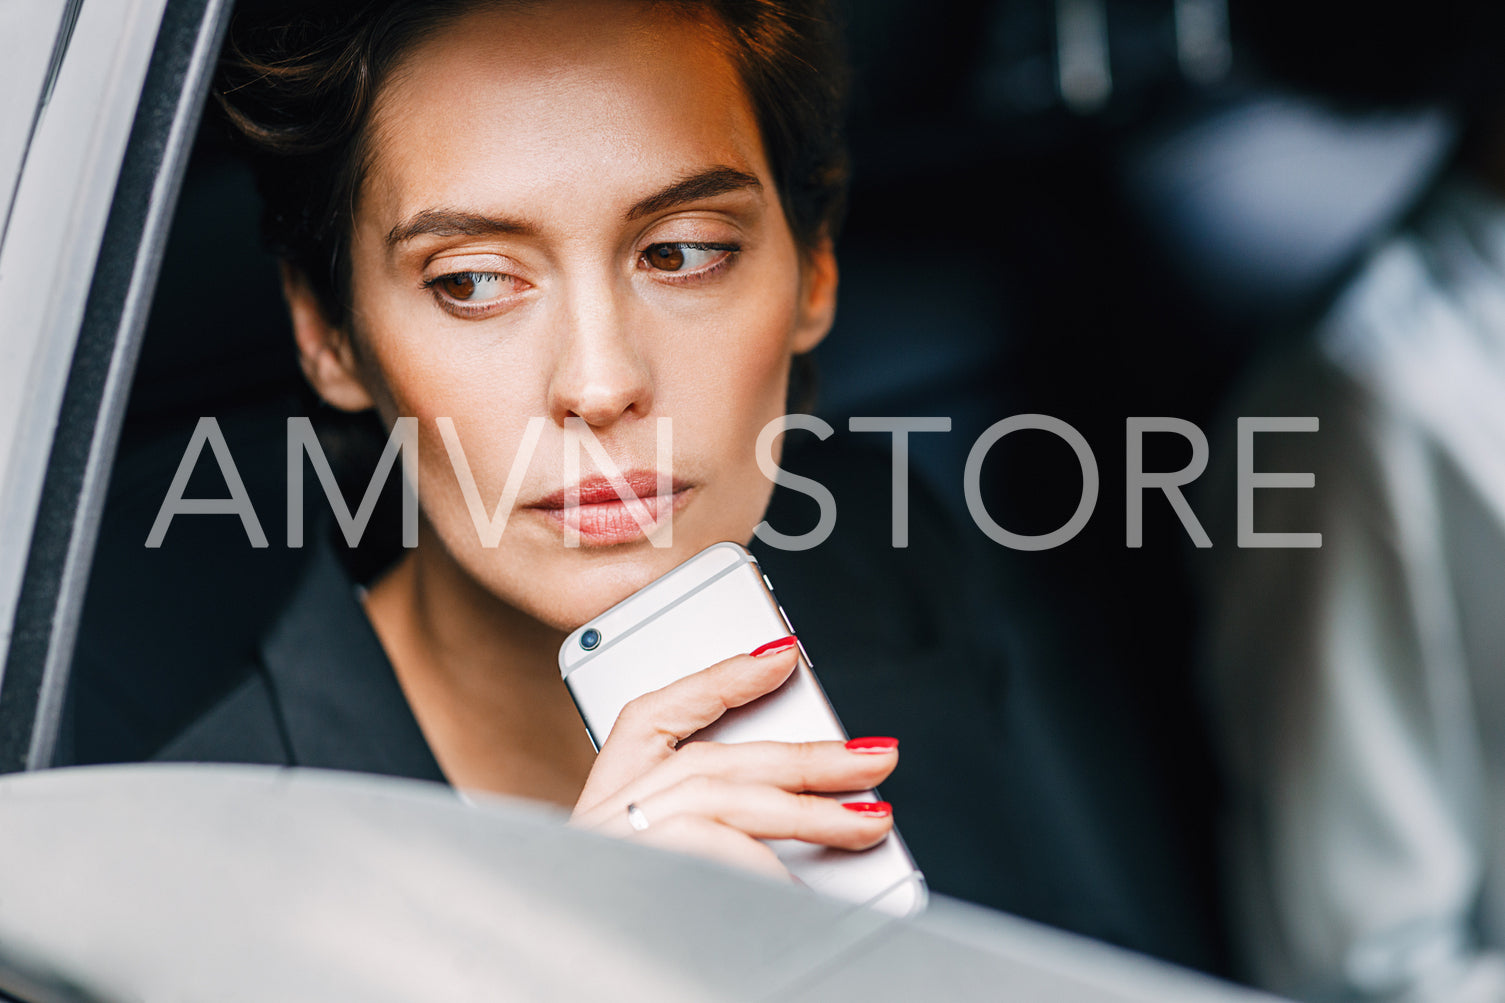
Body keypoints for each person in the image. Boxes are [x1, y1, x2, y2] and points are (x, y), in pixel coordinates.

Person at [154, 0, 1221, 968]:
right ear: (328, 333)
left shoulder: (887, 563)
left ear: (813, 271)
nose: (601, 379)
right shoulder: (197, 882)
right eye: (472, 281)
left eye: (683, 253)